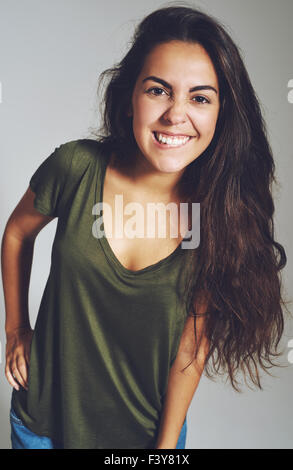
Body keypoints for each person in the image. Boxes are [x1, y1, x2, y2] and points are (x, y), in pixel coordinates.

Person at [2, 5, 288, 450]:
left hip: (145, 439)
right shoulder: (75, 167)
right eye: (159, 90)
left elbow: (191, 352)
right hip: (41, 427)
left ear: (220, 113)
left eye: (200, 97)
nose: (176, 114)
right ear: (130, 94)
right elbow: (18, 233)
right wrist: (16, 329)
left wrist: (166, 448)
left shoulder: (218, 216)